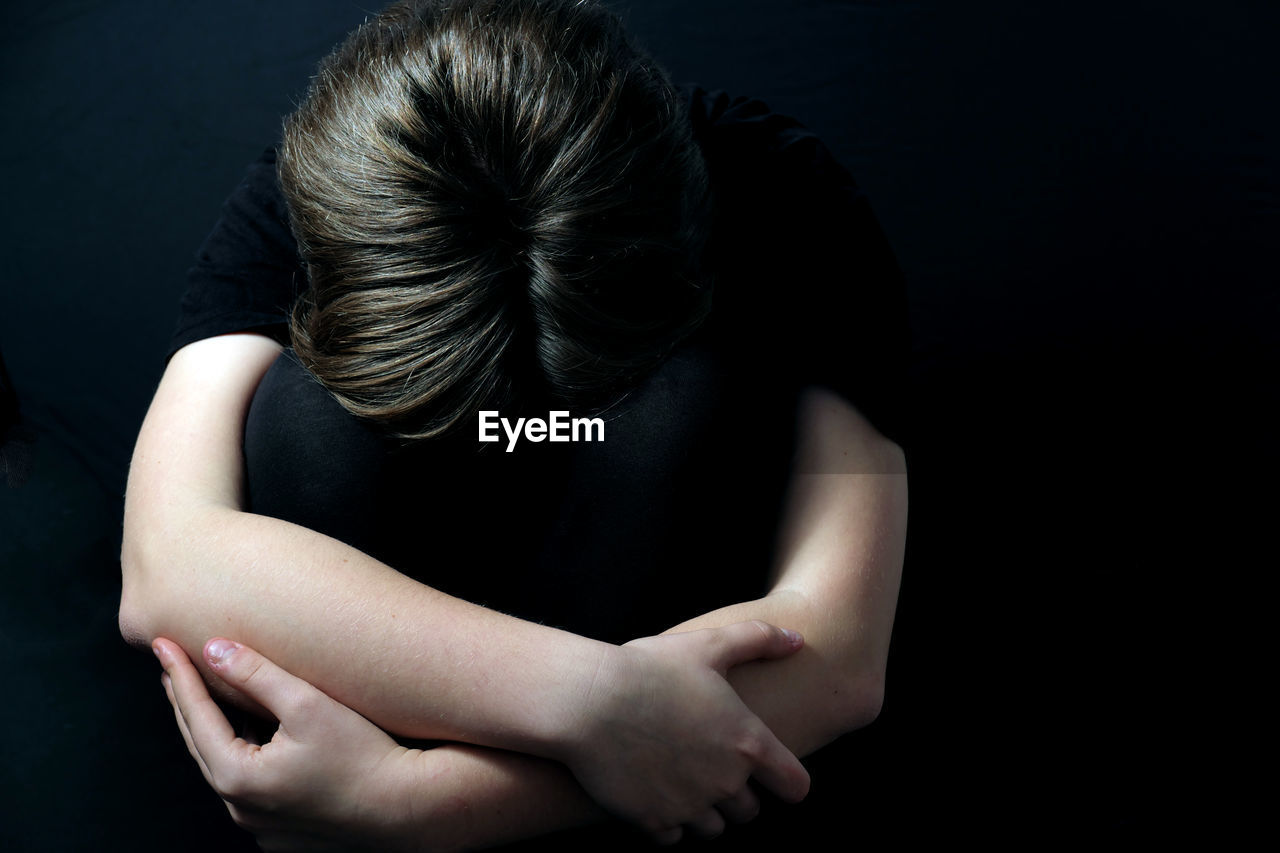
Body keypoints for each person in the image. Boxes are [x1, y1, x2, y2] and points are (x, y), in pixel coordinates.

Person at [120, 0, 909, 849]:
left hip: (671, 707)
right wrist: (595, 698)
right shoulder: (341, 173)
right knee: (299, 418)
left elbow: (837, 658)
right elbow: (169, 559)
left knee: (690, 401)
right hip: (537, 682)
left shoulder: (775, 183)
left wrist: (417, 805)